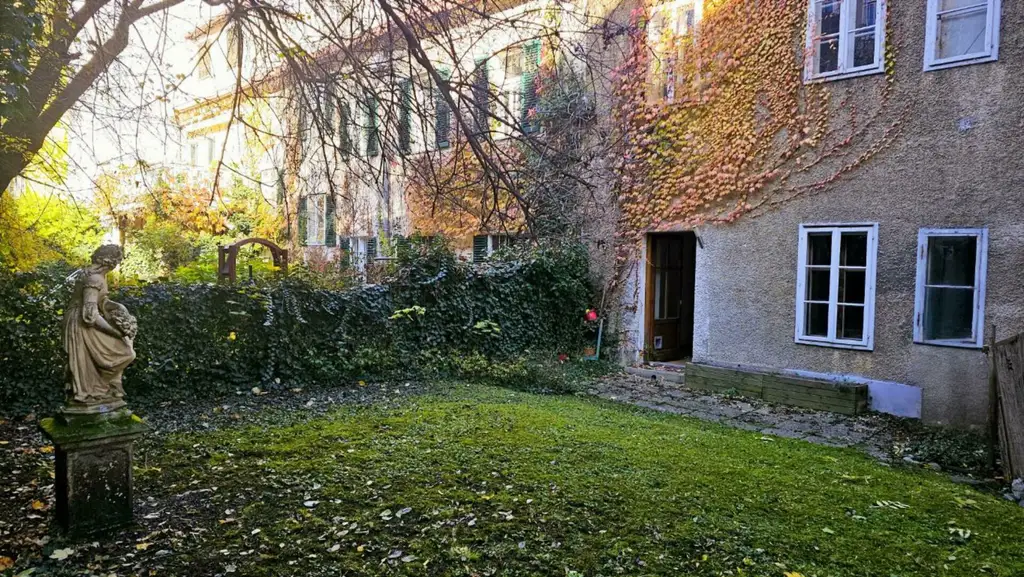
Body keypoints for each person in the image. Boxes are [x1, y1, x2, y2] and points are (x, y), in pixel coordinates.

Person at [62, 244, 136, 412]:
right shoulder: (94, 279)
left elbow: (101, 302)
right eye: (116, 262)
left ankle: (104, 391)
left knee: (122, 351)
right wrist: (116, 332)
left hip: (82, 319)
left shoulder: (97, 276)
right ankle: (93, 393)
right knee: (125, 351)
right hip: (81, 323)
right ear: (110, 263)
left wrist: (118, 308)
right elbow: (90, 315)